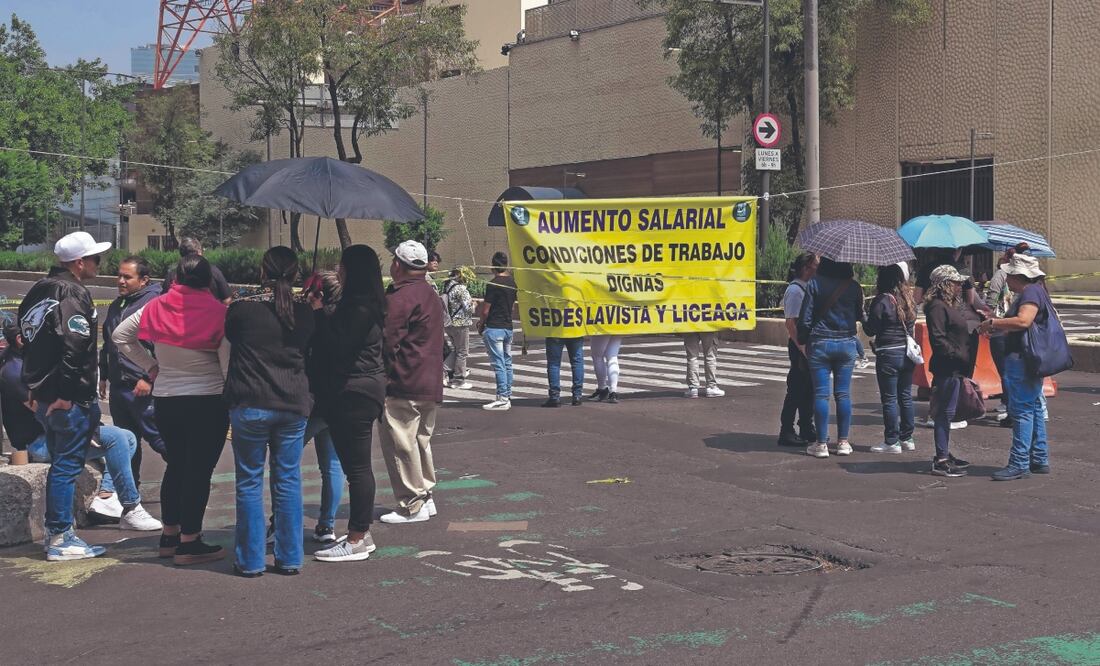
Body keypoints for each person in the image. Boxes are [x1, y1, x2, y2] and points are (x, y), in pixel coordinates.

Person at [114, 255, 231, 566]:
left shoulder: (156, 305)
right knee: (199, 471)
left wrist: (151, 366)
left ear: (177, 277)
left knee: (177, 465)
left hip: (166, 398)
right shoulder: (219, 312)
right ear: (209, 280)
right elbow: (226, 364)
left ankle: (170, 536)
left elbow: (120, 336)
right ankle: (191, 542)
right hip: (207, 399)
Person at [1, 323, 160, 533]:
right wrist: (84, 427)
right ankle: (130, 506)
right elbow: (44, 411)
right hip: (37, 442)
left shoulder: (30, 363)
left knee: (128, 437)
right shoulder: (12, 370)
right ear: (21, 339)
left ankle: (107, 495)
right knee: (118, 439)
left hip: (56, 431)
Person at [17, 231, 113, 560]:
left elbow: (28, 343)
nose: (100, 264)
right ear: (79, 262)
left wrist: (34, 388)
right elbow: (75, 346)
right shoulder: (72, 291)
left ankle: (57, 534)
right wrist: (67, 394)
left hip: (45, 394)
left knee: (61, 464)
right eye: (96, 259)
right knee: (66, 467)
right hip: (67, 398)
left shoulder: (37, 292)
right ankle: (60, 536)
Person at [223, 247, 315, 577]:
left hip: (250, 403)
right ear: (295, 274)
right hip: (292, 403)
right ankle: (290, 557)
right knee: (287, 480)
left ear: (262, 271)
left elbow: (230, 337)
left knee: (249, 481)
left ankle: (250, 560)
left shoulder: (242, 310)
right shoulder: (305, 313)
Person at [308, 244, 387, 562]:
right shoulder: (365, 304)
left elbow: (337, 346)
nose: (338, 270)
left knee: (357, 468)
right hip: (361, 390)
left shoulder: (359, 308)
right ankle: (360, 532)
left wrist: (316, 313)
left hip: (353, 392)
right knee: (356, 467)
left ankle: (356, 537)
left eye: (342, 265)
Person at [378, 241, 443, 525]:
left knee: (401, 443)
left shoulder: (400, 297)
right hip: (430, 379)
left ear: (398, 265)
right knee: (420, 441)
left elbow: (388, 341)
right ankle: (425, 495)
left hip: (404, 379)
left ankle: (411, 504)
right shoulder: (430, 293)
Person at [979, 254, 1054, 481]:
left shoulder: (1030, 293)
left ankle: (1019, 462)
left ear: (1018, 276)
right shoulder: (1036, 291)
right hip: (1029, 358)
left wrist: (994, 323)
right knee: (1032, 408)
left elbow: (1023, 321)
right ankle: (1039, 458)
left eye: (1009, 273)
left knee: (1021, 410)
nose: (1006, 277)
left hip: (1021, 359)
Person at [99, 256, 165, 493]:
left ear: (144, 280)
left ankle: (188, 482)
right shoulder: (119, 304)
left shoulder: (154, 303)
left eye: (127, 277)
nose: (121, 281)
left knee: (160, 440)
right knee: (127, 443)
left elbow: (161, 347)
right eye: (119, 275)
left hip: (143, 386)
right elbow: (108, 342)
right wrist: (104, 374)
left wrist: (149, 378)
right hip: (119, 387)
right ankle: (128, 495)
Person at [797, 257, 865, 458]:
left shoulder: (814, 284)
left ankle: (821, 444)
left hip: (820, 343)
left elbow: (805, 318)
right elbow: (859, 315)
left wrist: (803, 339)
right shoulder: (854, 287)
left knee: (821, 394)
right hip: (846, 343)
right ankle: (843, 442)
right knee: (843, 394)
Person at [300, 270, 346, 544]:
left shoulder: (313, 321)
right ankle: (326, 524)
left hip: (313, 400)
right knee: (332, 465)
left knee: (286, 459)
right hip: (340, 400)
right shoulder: (347, 318)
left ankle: (278, 521)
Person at [923, 265, 974, 478]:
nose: (959, 286)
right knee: (944, 413)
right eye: (955, 282)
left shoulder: (947, 305)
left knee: (948, 413)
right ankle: (941, 459)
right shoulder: (937, 307)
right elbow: (938, 338)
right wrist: (957, 354)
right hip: (947, 367)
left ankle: (943, 453)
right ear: (944, 284)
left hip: (954, 367)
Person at [864, 262, 918, 454]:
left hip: (888, 354)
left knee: (889, 399)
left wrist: (863, 314)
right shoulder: (908, 299)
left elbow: (870, 329)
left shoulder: (882, 301)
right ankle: (907, 438)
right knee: (905, 397)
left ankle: (891, 441)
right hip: (907, 354)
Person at [984, 243, 1030, 426]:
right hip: (1016, 327)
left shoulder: (1000, 275)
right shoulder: (1027, 279)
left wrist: (989, 321)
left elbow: (991, 301)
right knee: (1016, 372)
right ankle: (1013, 407)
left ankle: (1011, 410)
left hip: (1001, 327)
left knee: (1005, 372)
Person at [778, 253, 819, 447]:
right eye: (814, 267)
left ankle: (806, 426)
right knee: (796, 388)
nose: (817, 271)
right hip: (799, 346)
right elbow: (791, 323)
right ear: (805, 269)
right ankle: (786, 429)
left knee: (809, 389)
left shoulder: (806, 288)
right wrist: (802, 348)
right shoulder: (795, 290)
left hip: (807, 344)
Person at [478, 252, 516, 411]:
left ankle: (502, 397)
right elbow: (512, 306)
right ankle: (507, 394)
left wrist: (481, 324)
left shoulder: (493, 284)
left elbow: (486, 310)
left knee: (498, 363)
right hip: (508, 326)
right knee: (507, 362)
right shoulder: (512, 283)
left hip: (494, 327)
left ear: (493, 265)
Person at [162, 237, 233, 303]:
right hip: (209, 313)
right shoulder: (213, 271)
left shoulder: (172, 274)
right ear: (199, 252)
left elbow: (164, 299)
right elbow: (227, 299)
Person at [441, 268, 475, 390]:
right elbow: (468, 308)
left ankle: (442, 372)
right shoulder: (461, 289)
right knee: (462, 352)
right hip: (461, 324)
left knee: (457, 350)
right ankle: (458, 379)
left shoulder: (447, 287)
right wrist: (474, 304)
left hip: (449, 324)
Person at [544, 334, 585, 408]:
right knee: (577, 361)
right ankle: (577, 395)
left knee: (554, 363)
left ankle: (554, 397)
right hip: (575, 328)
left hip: (555, 329)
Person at [682, 332, 724, 398]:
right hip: (707, 326)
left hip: (690, 325)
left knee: (692, 356)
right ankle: (711, 387)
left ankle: (693, 388)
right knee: (710, 355)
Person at [588, 335, 623, 404]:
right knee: (612, 357)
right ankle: (613, 391)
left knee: (597, 356)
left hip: (600, 327)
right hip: (618, 326)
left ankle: (602, 389)